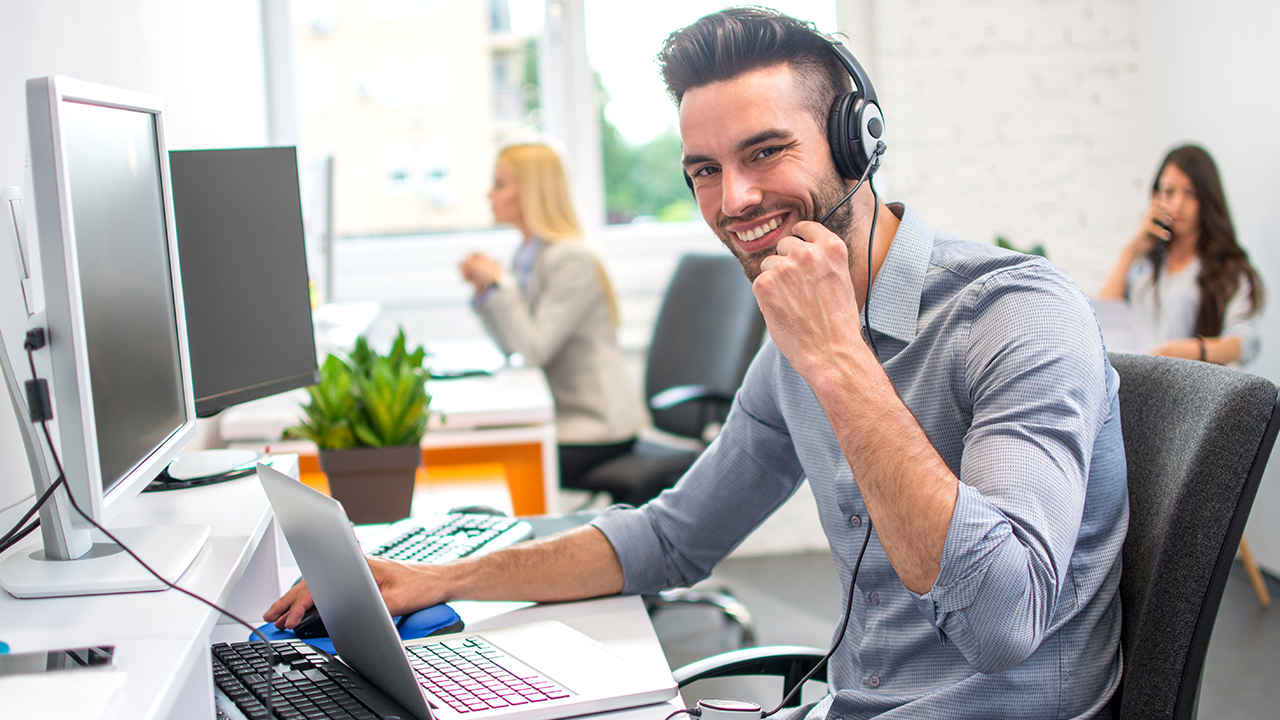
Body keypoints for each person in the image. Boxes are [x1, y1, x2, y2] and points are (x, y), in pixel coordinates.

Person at [269, 8, 1127, 718]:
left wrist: (838, 356)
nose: (736, 200)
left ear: (855, 143)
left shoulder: (1017, 315)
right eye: (705, 171)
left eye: (765, 151)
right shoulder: (796, 333)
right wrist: (437, 579)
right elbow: (672, 538)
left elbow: (1004, 620)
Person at [458, 142, 644, 489]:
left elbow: (532, 350)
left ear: (530, 190)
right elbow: (514, 346)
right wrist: (487, 292)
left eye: (499, 184)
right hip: (566, 421)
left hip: (597, 429)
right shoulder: (530, 255)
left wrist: (499, 285)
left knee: (493, 458)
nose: (489, 194)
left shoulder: (570, 259)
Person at [1099, 144, 1263, 365]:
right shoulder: (1144, 262)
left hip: (1192, 387)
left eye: (1190, 193)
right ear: (1155, 197)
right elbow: (1106, 318)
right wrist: (1130, 251)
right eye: (1169, 192)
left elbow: (1245, 342)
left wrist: (1194, 351)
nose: (1177, 204)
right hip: (1139, 384)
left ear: (1206, 199)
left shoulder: (1228, 269)